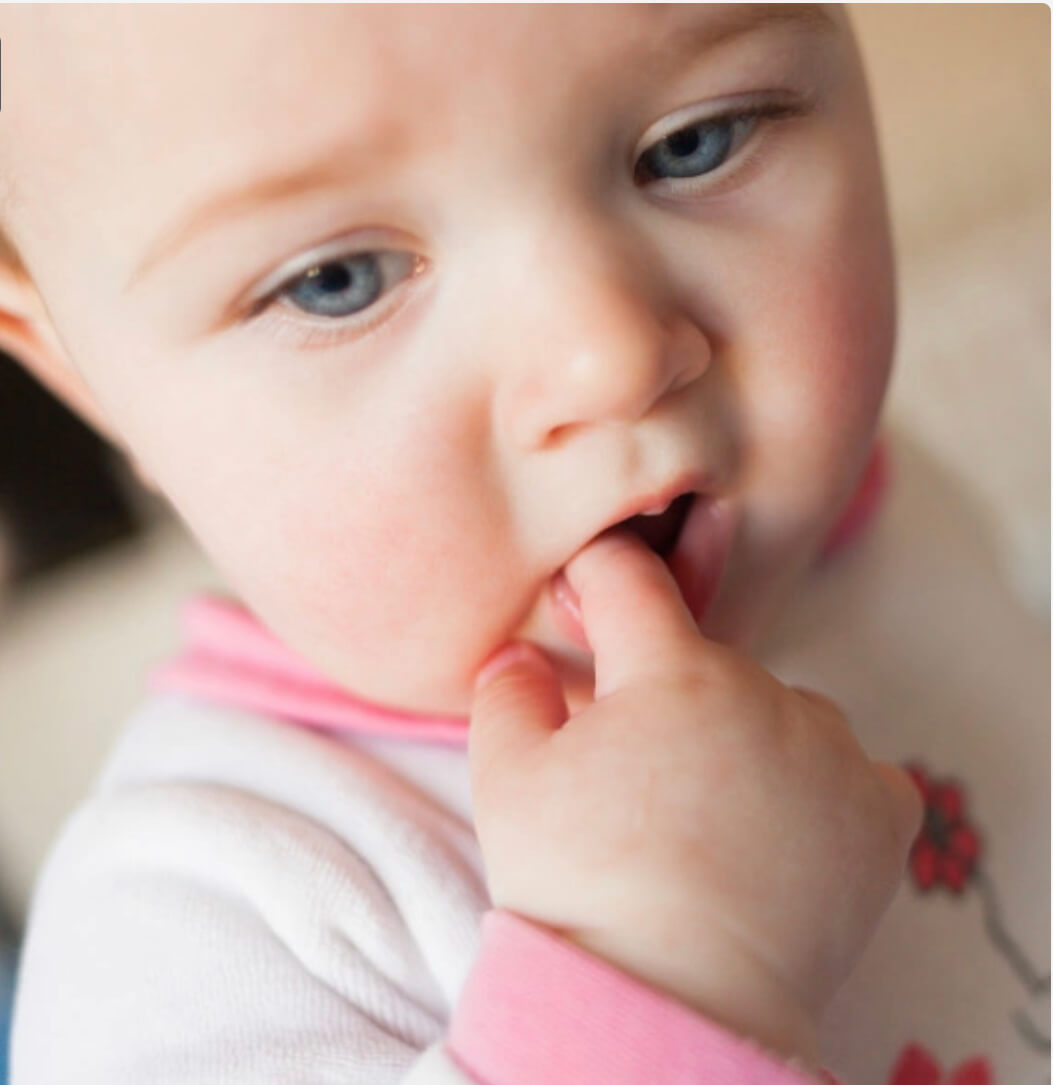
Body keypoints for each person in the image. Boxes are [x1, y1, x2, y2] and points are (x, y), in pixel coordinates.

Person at [1, 6, 1045, 1083]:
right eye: (339, 278)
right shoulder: (198, 938)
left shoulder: (867, 506)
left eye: (698, 140)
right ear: (87, 376)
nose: (611, 358)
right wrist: (661, 976)